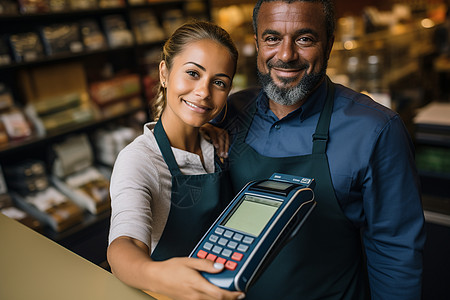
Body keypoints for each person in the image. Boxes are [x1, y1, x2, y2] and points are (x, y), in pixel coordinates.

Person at [207, 0, 426, 299]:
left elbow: (396, 252)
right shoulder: (230, 111)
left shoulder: (375, 129)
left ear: (330, 43)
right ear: (257, 43)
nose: (286, 55)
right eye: (272, 38)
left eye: (304, 39)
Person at [107, 21, 245, 300]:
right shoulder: (139, 160)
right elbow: (126, 244)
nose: (204, 92)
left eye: (219, 82)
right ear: (164, 73)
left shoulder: (217, 144)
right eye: (193, 73)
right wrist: (158, 275)